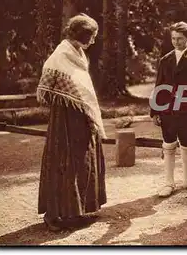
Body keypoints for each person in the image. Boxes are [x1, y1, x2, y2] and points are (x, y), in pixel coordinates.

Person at [36, 13, 107, 231]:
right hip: (64, 119)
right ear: (83, 35)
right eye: (92, 36)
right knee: (63, 162)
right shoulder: (61, 54)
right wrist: (65, 99)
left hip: (80, 116)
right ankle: (54, 215)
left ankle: (76, 212)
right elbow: (44, 86)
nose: (93, 40)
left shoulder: (78, 54)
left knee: (82, 161)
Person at [150, 21, 187, 198]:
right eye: (173, 38)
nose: (176, 42)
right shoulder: (166, 60)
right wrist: (155, 110)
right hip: (167, 108)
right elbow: (159, 85)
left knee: (186, 141)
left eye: (180, 39)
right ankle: (168, 182)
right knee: (168, 142)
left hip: (186, 107)